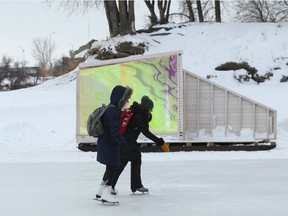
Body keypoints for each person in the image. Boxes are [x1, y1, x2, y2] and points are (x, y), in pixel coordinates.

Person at [111, 95, 170, 194]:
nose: (151, 112)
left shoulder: (138, 112)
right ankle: (110, 186)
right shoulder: (138, 115)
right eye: (150, 110)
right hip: (126, 143)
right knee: (122, 164)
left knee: (136, 160)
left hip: (129, 142)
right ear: (147, 108)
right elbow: (146, 132)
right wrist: (160, 142)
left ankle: (136, 185)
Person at [95, 85, 133, 204]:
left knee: (110, 168)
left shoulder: (110, 109)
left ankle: (100, 192)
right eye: (126, 99)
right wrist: (123, 144)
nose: (127, 102)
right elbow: (114, 130)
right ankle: (106, 195)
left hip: (106, 144)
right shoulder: (113, 111)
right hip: (110, 145)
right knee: (114, 167)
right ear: (120, 99)